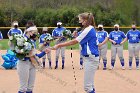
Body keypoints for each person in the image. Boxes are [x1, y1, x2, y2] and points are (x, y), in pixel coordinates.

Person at [51, 12, 99, 93]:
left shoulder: (88, 29)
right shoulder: (88, 29)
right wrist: (74, 34)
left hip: (91, 58)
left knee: (87, 87)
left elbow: (74, 41)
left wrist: (59, 45)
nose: (80, 22)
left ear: (86, 20)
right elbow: (77, 37)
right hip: (89, 58)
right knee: (90, 85)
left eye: (81, 20)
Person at [17, 21, 50, 93]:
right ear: (29, 31)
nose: (35, 33)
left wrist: (44, 52)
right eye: (34, 31)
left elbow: (35, 56)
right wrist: (23, 52)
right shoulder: (21, 39)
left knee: (30, 88)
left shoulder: (32, 41)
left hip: (32, 64)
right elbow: (17, 53)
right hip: (23, 63)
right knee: (23, 88)